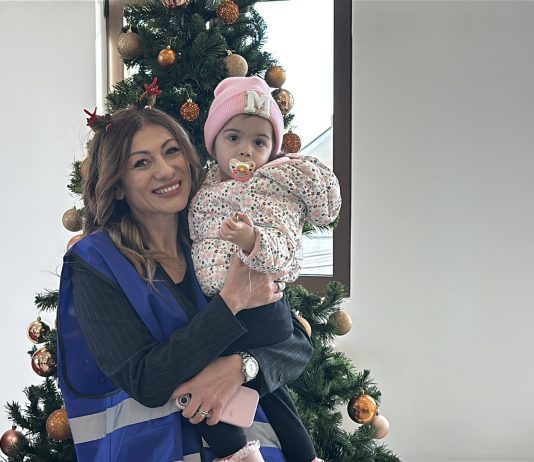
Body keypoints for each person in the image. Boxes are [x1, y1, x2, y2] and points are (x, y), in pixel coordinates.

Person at [56, 103, 314, 462]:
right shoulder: (95, 262)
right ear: (118, 185)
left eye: (171, 151)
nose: (165, 171)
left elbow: (295, 342)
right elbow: (145, 380)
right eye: (141, 163)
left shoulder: (217, 238)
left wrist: (240, 368)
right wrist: (231, 302)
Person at [188, 76, 341, 461]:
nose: (246, 150)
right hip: (226, 306)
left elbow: (284, 247)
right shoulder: (202, 189)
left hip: (259, 311)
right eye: (233, 138)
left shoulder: (270, 190)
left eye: (259, 142)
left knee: (204, 387)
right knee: (275, 397)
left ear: (273, 149)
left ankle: (236, 453)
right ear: (213, 144)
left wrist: (251, 240)